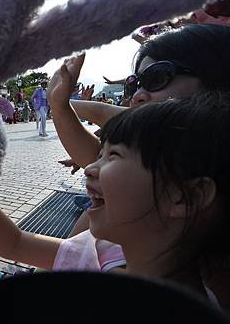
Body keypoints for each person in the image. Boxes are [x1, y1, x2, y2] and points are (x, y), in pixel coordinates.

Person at [0, 92, 230, 322]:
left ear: (182, 196)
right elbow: (14, 243)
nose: (91, 167)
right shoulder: (107, 249)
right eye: (101, 153)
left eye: (114, 156)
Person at [50, 24, 230, 222]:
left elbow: (100, 116)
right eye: (134, 84)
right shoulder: (166, 149)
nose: (137, 96)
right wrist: (59, 104)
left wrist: (60, 105)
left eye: (156, 77)